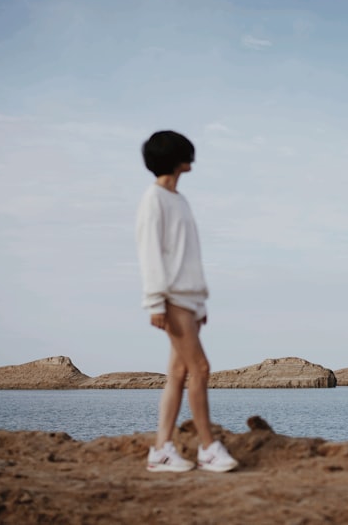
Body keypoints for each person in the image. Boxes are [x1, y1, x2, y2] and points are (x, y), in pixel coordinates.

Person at [135, 130, 239, 473]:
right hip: (172, 298)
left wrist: (201, 303)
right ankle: (208, 448)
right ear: (178, 159)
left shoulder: (178, 199)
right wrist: (155, 302)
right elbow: (150, 252)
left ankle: (161, 450)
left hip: (189, 299)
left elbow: (188, 255)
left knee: (178, 373)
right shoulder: (153, 200)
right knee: (201, 368)